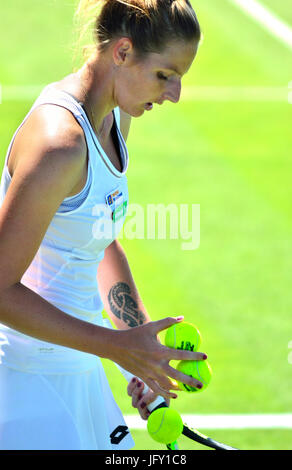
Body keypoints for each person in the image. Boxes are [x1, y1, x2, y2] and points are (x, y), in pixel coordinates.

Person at [0, 0, 206, 450]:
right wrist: (116, 347)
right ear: (123, 53)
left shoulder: (115, 116)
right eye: (165, 75)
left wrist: (140, 352)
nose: (174, 94)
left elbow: (97, 243)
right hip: (27, 386)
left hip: (79, 371)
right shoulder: (60, 145)